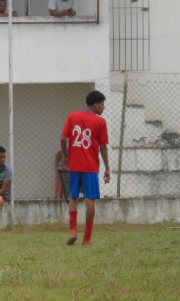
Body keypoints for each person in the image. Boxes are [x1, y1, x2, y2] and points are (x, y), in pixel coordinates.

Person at [60, 90, 112, 246]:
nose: (103, 107)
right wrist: (108, 168)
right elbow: (103, 147)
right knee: (91, 200)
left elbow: (63, 138)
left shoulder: (73, 116)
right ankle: (87, 238)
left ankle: (74, 231)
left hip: (75, 165)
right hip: (91, 166)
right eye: (102, 104)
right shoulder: (101, 122)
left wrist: (66, 156)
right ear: (95, 105)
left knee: (73, 197)